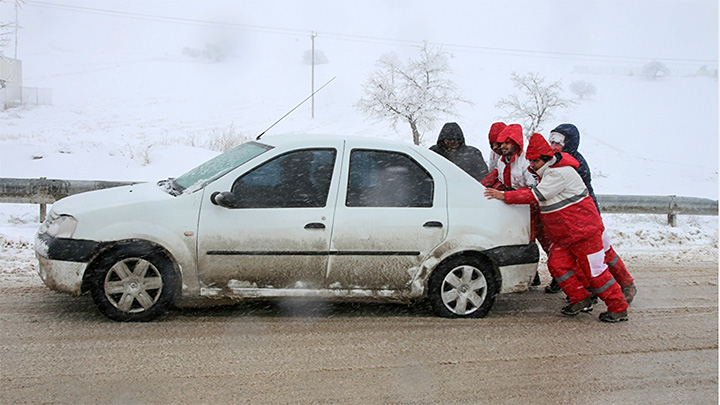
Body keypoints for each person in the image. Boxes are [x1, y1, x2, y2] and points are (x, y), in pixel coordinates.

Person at [484, 133, 629, 323]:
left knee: (596, 273)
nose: (531, 165)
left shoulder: (559, 173)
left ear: (546, 159)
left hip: (584, 233)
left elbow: (537, 195)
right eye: (530, 161)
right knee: (557, 265)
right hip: (565, 236)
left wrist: (504, 196)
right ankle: (580, 299)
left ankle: (618, 307)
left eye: (535, 161)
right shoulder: (546, 172)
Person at [546, 124, 637, 304]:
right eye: (552, 140)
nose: (553, 145)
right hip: (574, 218)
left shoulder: (574, 162)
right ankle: (587, 288)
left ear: (569, 142)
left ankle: (627, 284)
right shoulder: (557, 160)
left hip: (589, 215)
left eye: (558, 141)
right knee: (578, 255)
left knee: (604, 252)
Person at [480, 123, 543, 286]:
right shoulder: (502, 161)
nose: (503, 147)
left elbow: (534, 190)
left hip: (531, 207)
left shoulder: (525, 162)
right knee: (518, 238)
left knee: (537, 240)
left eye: (507, 143)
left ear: (516, 143)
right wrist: (481, 188)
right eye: (501, 143)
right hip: (514, 203)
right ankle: (529, 274)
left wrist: (506, 195)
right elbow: (498, 178)